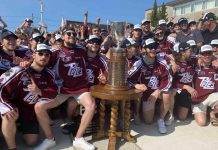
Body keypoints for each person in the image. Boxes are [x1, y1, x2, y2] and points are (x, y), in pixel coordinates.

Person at [34, 26, 96, 150]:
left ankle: (78, 139)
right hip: (62, 89)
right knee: (39, 107)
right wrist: (25, 60)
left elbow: (98, 51)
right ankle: (50, 139)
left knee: (91, 105)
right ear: (63, 37)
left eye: (74, 33)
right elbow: (39, 59)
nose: (72, 35)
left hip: (80, 88)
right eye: (68, 33)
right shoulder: (55, 52)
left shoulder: (82, 49)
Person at [0, 43, 58, 150]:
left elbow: (54, 92)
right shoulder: (19, 70)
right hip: (14, 106)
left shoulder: (50, 74)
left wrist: (39, 91)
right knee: (9, 116)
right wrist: (7, 107)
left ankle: (18, 127)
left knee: (31, 142)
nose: (43, 57)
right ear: (34, 55)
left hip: (29, 111)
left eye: (47, 55)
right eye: (40, 54)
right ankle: (12, 147)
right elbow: (0, 87)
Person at [128, 38, 172, 134]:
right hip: (146, 95)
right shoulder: (139, 63)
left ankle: (161, 119)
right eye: (150, 47)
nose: (153, 49)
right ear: (144, 49)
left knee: (167, 94)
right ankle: (149, 110)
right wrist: (136, 85)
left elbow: (168, 80)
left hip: (158, 91)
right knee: (148, 121)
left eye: (154, 47)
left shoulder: (162, 63)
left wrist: (158, 91)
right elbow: (128, 79)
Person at [192, 45, 218, 126]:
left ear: (212, 54)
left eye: (209, 53)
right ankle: (208, 111)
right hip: (198, 98)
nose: (207, 56)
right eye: (204, 54)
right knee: (202, 123)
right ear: (200, 55)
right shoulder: (194, 65)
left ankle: (212, 112)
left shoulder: (216, 65)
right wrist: (198, 58)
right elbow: (179, 57)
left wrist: (216, 59)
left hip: (212, 95)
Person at [172, 42, 198, 121]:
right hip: (180, 90)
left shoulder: (191, 60)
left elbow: (201, 56)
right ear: (183, 53)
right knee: (182, 117)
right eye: (190, 51)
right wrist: (185, 87)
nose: (192, 53)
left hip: (190, 89)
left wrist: (200, 59)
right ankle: (173, 110)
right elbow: (171, 82)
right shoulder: (175, 65)